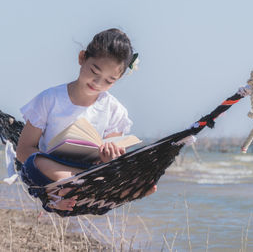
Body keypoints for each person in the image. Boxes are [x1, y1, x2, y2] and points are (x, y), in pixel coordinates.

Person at [16, 28, 156, 212]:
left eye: (109, 80)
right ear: (82, 58)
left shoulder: (115, 110)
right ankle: (74, 189)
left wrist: (110, 159)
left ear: (118, 79)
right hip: (52, 169)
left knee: (130, 175)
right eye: (94, 71)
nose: (98, 83)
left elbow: (112, 163)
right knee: (35, 162)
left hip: (91, 171)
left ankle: (73, 190)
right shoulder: (50, 99)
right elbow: (23, 150)